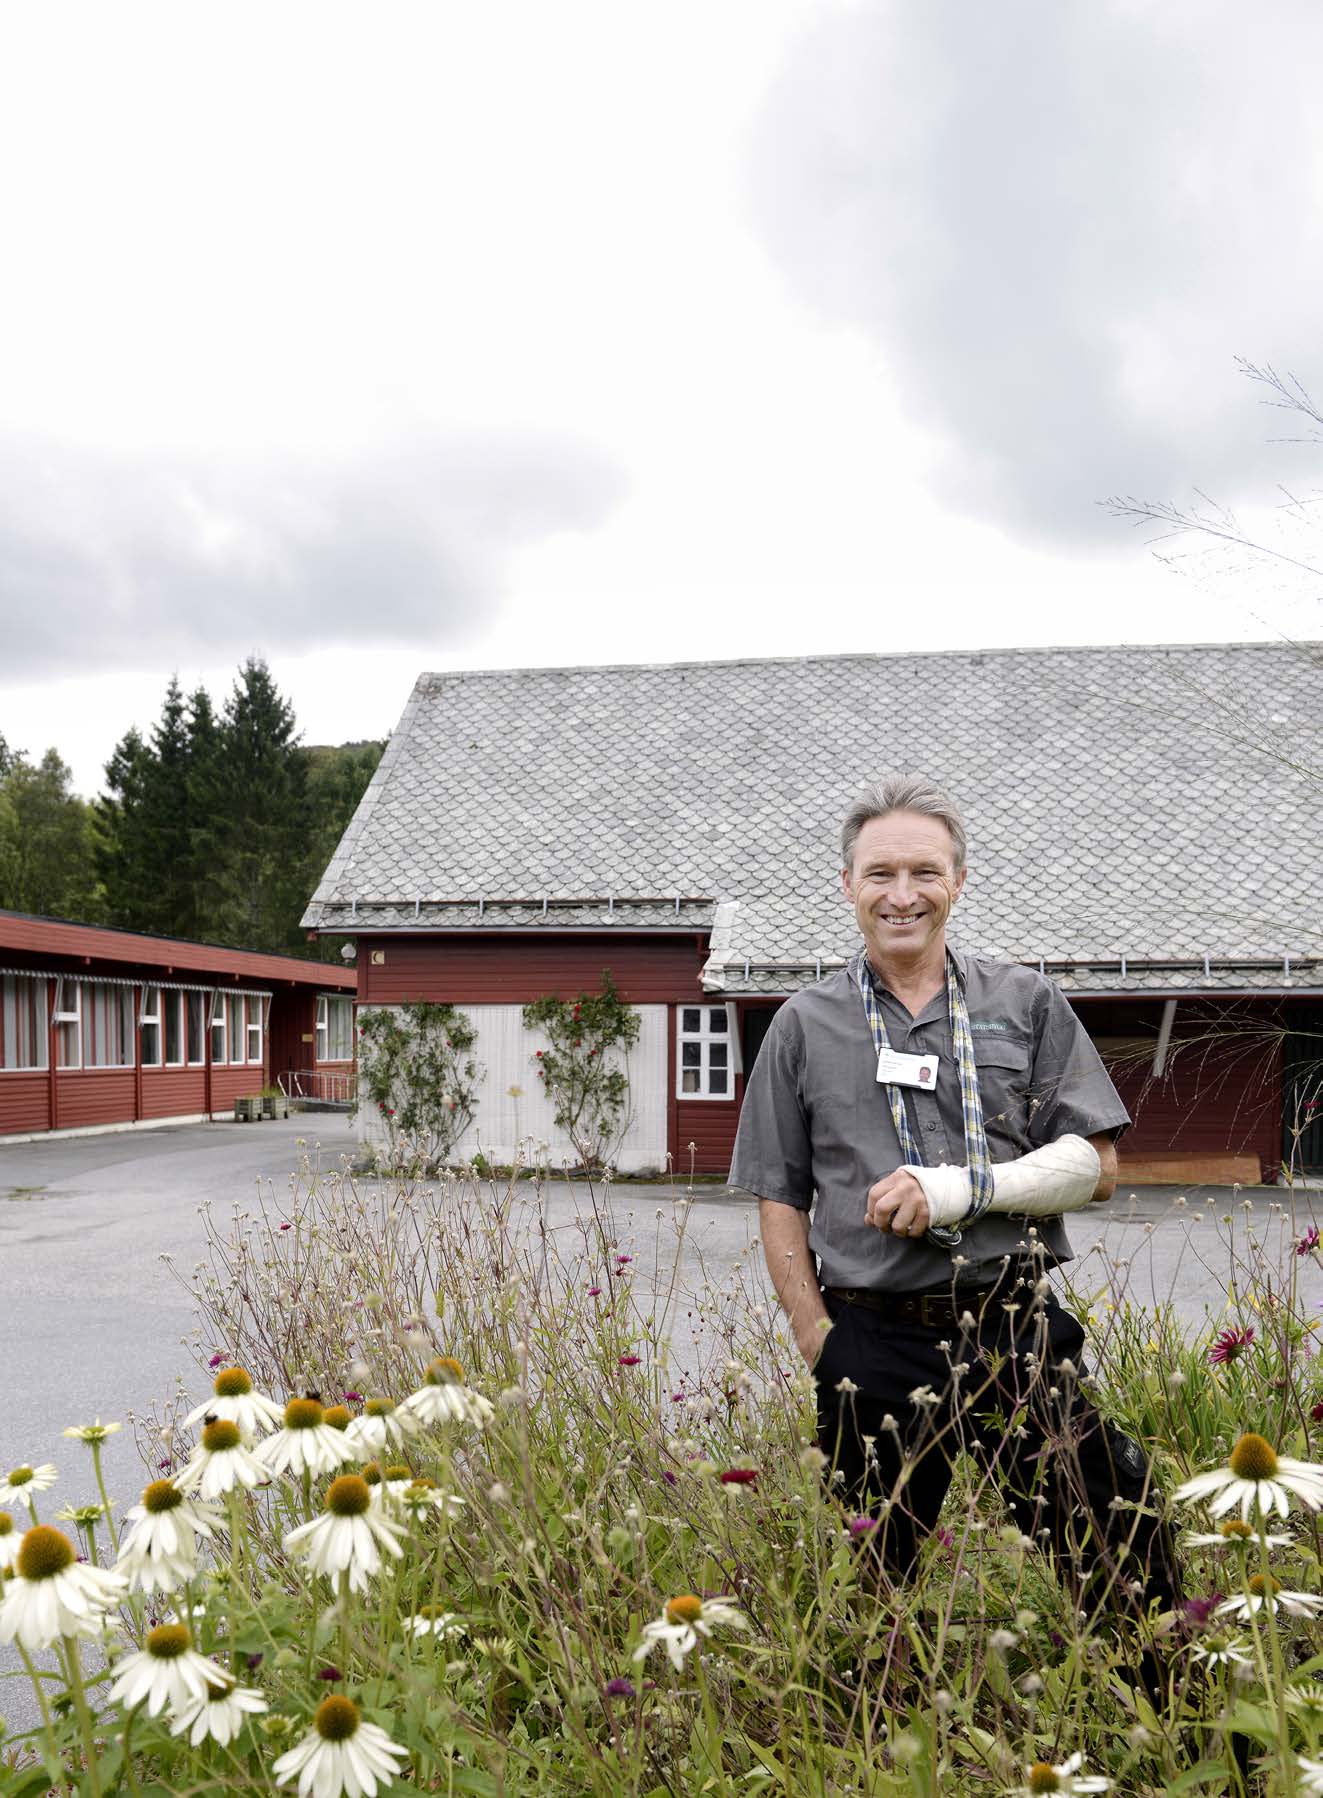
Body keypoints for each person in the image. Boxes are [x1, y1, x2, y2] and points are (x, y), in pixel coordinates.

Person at [729, 773, 1180, 1642]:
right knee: (872, 1576)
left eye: (925, 873)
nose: (902, 896)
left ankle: (1169, 1707)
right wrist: (814, 1336)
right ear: (848, 885)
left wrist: (964, 1190)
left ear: (958, 882)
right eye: (879, 874)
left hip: (1010, 1325)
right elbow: (778, 1195)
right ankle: (874, 1742)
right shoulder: (802, 1024)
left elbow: (1100, 1166)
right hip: (873, 1335)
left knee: (1114, 1536)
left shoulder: (1024, 1002)